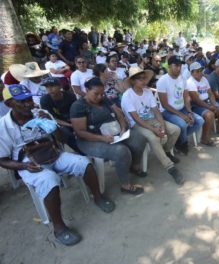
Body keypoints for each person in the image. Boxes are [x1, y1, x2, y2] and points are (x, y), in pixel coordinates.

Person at [0, 84, 115, 246]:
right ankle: (59, 227)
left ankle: (98, 196)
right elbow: (2, 160)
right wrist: (24, 167)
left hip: (52, 153)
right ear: (9, 104)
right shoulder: (3, 126)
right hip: (28, 162)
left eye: (28, 99)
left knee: (84, 163)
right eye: (21, 102)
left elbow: (61, 139)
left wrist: (51, 125)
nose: (28, 104)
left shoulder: (40, 113)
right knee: (49, 180)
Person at [70, 77, 147, 195]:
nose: (100, 97)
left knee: (139, 139)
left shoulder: (104, 100)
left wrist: (122, 128)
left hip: (114, 135)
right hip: (90, 140)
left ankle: (134, 166)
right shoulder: (78, 106)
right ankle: (125, 185)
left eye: (102, 93)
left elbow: (119, 114)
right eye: (96, 94)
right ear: (86, 90)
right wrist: (102, 138)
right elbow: (80, 132)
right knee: (121, 151)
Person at [121, 67, 184, 185]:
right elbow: (136, 118)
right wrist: (154, 129)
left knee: (175, 130)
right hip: (137, 124)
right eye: (140, 79)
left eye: (144, 78)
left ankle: (164, 152)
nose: (143, 81)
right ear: (133, 81)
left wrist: (162, 125)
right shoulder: (127, 96)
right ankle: (170, 167)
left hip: (152, 119)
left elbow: (156, 111)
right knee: (154, 138)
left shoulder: (148, 92)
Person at [157, 56, 204, 155]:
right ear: (169, 66)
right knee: (182, 124)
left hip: (182, 108)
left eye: (180, 66)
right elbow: (164, 104)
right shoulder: (163, 80)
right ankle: (183, 143)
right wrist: (181, 115)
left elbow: (186, 97)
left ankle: (179, 140)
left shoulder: (182, 78)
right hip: (167, 111)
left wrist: (189, 112)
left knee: (199, 120)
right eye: (176, 65)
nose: (179, 68)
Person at [187, 62, 219, 146]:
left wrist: (214, 104)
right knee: (209, 114)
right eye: (197, 71)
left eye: (201, 70)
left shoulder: (204, 79)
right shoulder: (190, 82)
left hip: (206, 102)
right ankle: (204, 138)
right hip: (195, 105)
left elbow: (210, 93)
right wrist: (209, 107)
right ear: (191, 72)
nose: (200, 73)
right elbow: (196, 100)